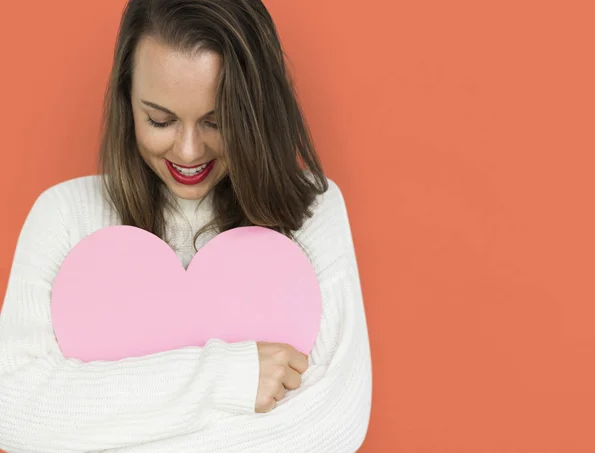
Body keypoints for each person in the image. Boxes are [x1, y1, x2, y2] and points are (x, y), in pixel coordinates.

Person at [0, 0, 372, 452]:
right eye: (161, 120)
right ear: (126, 98)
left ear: (255, 112)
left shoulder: (313, 207)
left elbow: (332, 428)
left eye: (217, 121)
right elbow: (14, 410)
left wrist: (102, 422)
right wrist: (229, 378)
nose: (190, 151)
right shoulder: (64, 216)